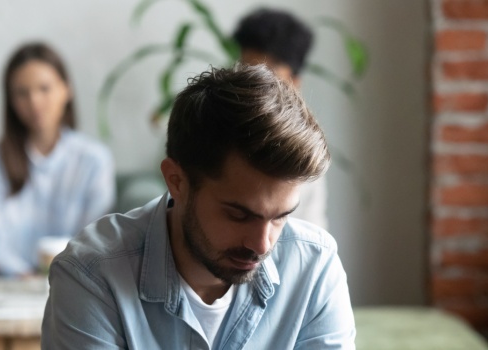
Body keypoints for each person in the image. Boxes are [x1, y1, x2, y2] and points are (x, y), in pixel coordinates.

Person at [42, 65, 355, 349]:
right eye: (239, 214)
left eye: (281, 217)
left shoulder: (314, 268)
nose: (262, 244)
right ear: (177, 181)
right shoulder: (93, 276)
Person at [0, 42, 115, 277]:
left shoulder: (94, 160)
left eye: (44, 88)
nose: (34, 102)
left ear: (66, 89)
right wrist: (23, 275)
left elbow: (96, 239)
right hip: (9, 285)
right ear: (10, 101)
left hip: (76, 285)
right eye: (22, 93)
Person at [233, 7, 330, 229]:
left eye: (268, 77)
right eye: (246, 73)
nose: (254, 87)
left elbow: (313, 232)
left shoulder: (306, 149)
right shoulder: (218, 128)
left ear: (294, 82)